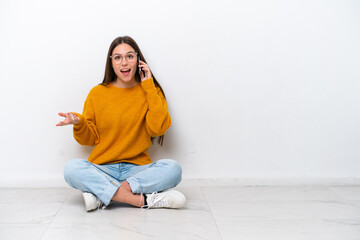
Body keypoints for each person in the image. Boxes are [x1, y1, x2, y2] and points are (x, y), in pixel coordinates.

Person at [56, 36, 186, 211]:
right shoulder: (97, 93)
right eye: (118, 57)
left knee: (173, 169)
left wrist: (148, 86)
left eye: (130, 56)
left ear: (138, 60)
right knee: (72, 169)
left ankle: (102, 195)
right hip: (103, 169)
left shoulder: (151, 91)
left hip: (137, 171)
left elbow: (158, 128)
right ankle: (143, 201)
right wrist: (79, 123)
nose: (124, 63)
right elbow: (89, 139)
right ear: (111, 63)